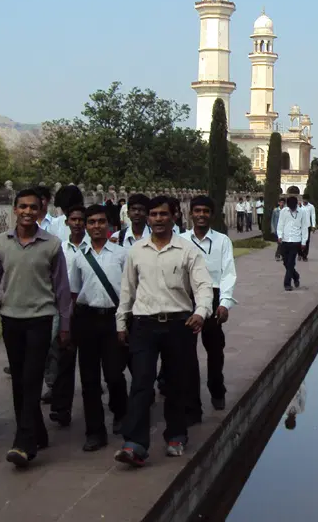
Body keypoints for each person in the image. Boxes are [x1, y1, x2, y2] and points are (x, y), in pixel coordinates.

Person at [114, 196, 213, 466]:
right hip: (144, 323)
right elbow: (127, 289)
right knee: (141, 383)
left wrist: (201, 311)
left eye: (163, 214)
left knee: (176, 383)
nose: (158, 219)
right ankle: (134, 443)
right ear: (148, 218)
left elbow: (203, 284)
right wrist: (121, 322)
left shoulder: (187, 250)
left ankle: (176, 435)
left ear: (175, 217)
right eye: (153, 214)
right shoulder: (136, 250)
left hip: (178, 323)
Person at [0, 188, 72, 468]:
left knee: (32, 376)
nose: (27, 212)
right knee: (21, 379)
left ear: (40, 210)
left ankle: (24, 443)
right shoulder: (1, 242)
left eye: (33, 208)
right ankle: (39, 431)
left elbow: (61, 288)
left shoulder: (52, 244)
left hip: (41, 318)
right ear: (14, 209)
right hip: (11, 318)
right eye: (22, 207)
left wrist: (65, 325)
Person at [67, 204, 128, 450]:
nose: (95, 226)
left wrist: (125, 321)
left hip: (113, 318)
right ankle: (95, 431)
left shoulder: (121, 254)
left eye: (100, 222)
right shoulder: (79, 256)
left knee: (114, 373)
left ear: (109, 225)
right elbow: (73, 292)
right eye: (91, 222)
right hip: (87, 319)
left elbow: (128, 291)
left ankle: (121, 412)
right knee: (90, 379)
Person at [183, 196, 237, 413]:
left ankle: (216, 390)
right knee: (186, 352)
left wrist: (224, 303)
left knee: (215, 349)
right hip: (187, 298)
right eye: (197, 211)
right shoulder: (181, 240)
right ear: (191, 214)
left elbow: (228, 273)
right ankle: (191, 400)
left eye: (206, 211)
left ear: (212, 215)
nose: (201, 215)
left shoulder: (222, 241)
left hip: (213, 297)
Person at [49, 205, 89, 428]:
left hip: (89, 309)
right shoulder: (60, 249)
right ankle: (61, 407)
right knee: (64, 359)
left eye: (81, 220)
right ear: (67, 222)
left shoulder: (95, 248)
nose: (77, 223)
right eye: (73, 219)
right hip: (66, 309)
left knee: (91, 362)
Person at [277, 196, 309, 291]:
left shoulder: (302, 212)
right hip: (285, 240)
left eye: (293, 206)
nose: (292, 208)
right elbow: (280, 224)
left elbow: (304, 227)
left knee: (291, 262)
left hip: (296, 240)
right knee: (286, 262)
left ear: (297, 204)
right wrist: (279, 235)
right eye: (290, 207)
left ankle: (287, 283)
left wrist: (304, 241)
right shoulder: (283, 212)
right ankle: (295, 276)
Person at [300, 194, 317, 261]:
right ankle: (299, 254)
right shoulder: (299, 205)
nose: (305, 201)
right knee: (299, 241)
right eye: (304, 199)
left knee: (306, 241)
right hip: (299, 226)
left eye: (306, 199)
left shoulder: (311, 207)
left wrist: (313, 226)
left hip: (307, 226)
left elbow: (313, 216)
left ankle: (304, 256)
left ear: (308, 200)